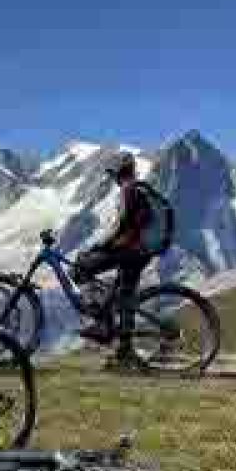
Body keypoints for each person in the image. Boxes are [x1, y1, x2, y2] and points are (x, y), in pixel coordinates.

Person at [71, 151, 173, 361]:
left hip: (130, 249)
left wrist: (99, 245)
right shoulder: (140, 188)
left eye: (112, 173)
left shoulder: (128, 190)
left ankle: (102, 323)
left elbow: (121, 225)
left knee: (80, 268)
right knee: (126, 298)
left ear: (118, 172)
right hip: (143, 252)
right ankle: (125, 352)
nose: (112, 178)